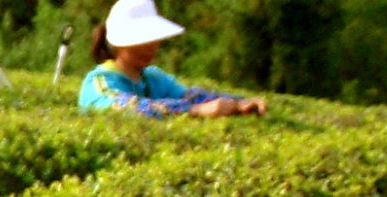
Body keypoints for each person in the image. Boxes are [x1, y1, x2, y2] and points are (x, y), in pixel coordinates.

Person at [78, 0, 267, 119]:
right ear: (120, 44)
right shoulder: (99, 82)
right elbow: (126, 107)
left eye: (154, 39)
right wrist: (196, 111)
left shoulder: (153, 78)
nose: (152, 46)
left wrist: (238, 102)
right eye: (143, 40)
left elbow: (189, 96)